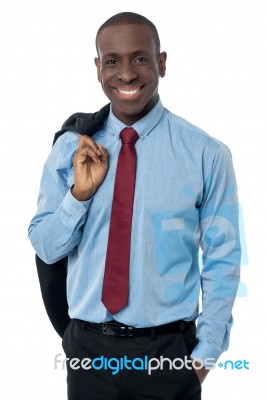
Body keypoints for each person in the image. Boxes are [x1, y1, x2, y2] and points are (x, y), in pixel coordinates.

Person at [28, 11, 241, 400]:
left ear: (161, 63)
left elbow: (224, 260)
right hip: (89, 353)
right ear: (98, 68)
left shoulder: (206, 154)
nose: (126, 74)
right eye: (112, 61)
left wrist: (203, 359)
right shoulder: (70, 149)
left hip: (169, 356)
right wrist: (79, 196)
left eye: (140, 58)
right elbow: (45, 247)